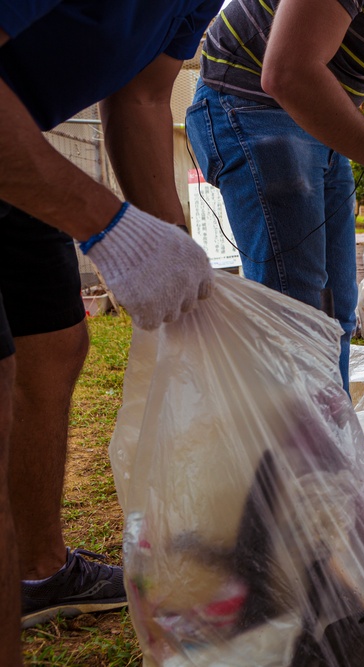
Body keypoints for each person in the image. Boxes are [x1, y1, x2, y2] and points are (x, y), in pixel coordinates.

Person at [0, 1, 220, 661]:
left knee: (54, 342)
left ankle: (40, 571)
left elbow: (147, 96)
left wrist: (169, 245)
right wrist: (107, 224)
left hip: (19, 132)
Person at [187, 0, 364, 392]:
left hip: (323, 118)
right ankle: (286, 449)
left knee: (336, 312)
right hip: (250, 98)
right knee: (296, 315)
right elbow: (289, 73)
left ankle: (328, 445)